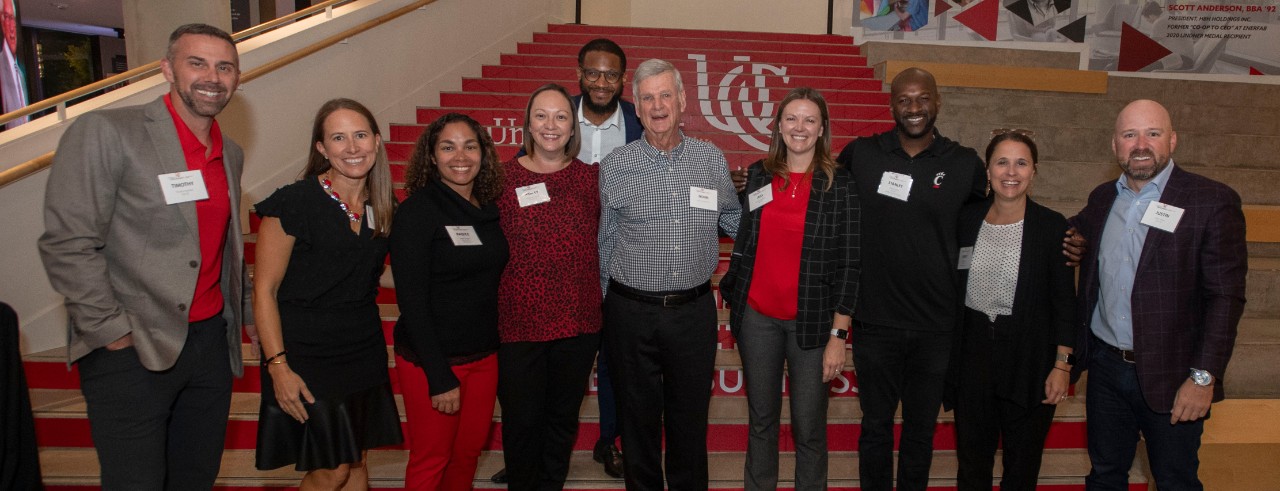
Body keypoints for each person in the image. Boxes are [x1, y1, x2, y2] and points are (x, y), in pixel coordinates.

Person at [37, 24, 251, 490]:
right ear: (167, 69)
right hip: (132, 348)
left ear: (236, 78)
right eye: (197, 63)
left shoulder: (229, 152)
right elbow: (68, 242)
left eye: (225, 67)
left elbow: (221, 248)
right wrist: (112, 332)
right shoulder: (109, 131)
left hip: (208, 347)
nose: (212, 77)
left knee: (195, 480)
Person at [1070, 99, 1247, 490]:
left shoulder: (1210, 201)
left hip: (1175, 374)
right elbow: (1072, 235)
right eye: (1129, 134)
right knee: (1104, 476)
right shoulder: (1102, 199)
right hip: (1106, 369)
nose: (1140, 145)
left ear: (1173, 140)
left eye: (1153, 133)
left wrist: (1203, 378)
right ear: (1114, 145)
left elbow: (1225, 299)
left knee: (1175, 481)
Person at [834, 67, 986, 491]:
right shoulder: (861, 154)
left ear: (938, 102)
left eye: (922, 98)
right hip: (875, 321)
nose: (914, 107)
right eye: (904, 99)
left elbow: (996, 219)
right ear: (891, 106)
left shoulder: (965, 163)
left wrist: (1066, 236)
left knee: (920, 432)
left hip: (937, 326)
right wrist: (755, 177)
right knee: (876, 427)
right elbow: (816, 184)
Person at [598, 58, 741, 491]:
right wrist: (605, 309)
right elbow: (605, 241)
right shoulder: (615, 165)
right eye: (647, 98)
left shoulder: (710, 159)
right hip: (630, 312)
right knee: (637, 420)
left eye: (665, 95)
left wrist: (778, 222)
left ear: (681, 101)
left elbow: (733, 219)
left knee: (689, 419)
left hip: (692, 312)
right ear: (636, 107)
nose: (657, 106)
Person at [251, 98, 403, 488]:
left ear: (377, 141)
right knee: (332, 467)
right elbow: (264, 290)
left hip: (362, 349)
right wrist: (277, 365)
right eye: (338, 138)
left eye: (360, 135)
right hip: (306, 353)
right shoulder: (293, 203)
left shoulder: (383, 205)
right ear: (321, 148)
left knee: (357, 460)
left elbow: (371, 273)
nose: (352, 147)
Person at [719, 87, 859, 491]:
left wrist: (838, 336)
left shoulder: (841, 184)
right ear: (779, 126)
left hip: (812, 325)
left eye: (810, 120)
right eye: (792, 119)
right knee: (761, 421)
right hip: (757, 319)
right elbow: (744, 236)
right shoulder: (759, 175)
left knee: (809, 427)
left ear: (822, 129)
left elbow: (851, 263)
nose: (800, 127)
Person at [948, 130, 1076, 491]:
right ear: (988, 171)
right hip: (973, 355)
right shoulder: (966, 219)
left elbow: (1065, 302)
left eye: (1021, 163)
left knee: (1022, 465)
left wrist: (1062, 366)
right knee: (972, 462)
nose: (1011, 172)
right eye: (1002, 162)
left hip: (1030, 359)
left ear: (1034, 172)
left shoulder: (1053, 226)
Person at [390, 112, 508, 490]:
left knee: (467, 455)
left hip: (484, 357)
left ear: (483, 154)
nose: (460, 156)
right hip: (433, 362)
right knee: (432, 459)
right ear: (431, 156)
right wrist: (439, 375)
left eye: (470, 146)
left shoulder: (488, 209)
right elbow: (411, 300)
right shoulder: (418, 211)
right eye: (448, 147)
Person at [493, 83, 602, 490]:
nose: (550, 125)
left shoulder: (591, 179)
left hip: (577, 322)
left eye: (561, 117)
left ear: (573, 128)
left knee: (561, 421)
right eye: (541, 116)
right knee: (522, 422)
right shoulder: (500, 179)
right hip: (518, 324)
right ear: (527, 124)